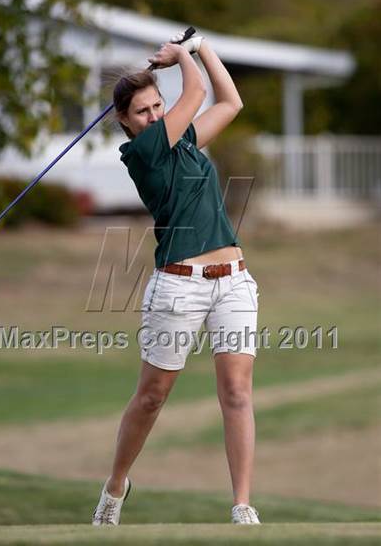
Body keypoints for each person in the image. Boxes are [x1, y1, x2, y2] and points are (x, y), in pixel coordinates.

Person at [92, 32, 260, 526]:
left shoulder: (182, 139)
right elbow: (198, 94)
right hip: (178, 286)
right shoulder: (143, 154)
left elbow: (230, 100)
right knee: (152, 395)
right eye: (142, 111)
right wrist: (182, 56)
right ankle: (116, 486)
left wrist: (203, 46)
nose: (153, 115)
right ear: (125, 121)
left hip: (233, 281)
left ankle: (242, 506)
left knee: (237, 391)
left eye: (156, 105)